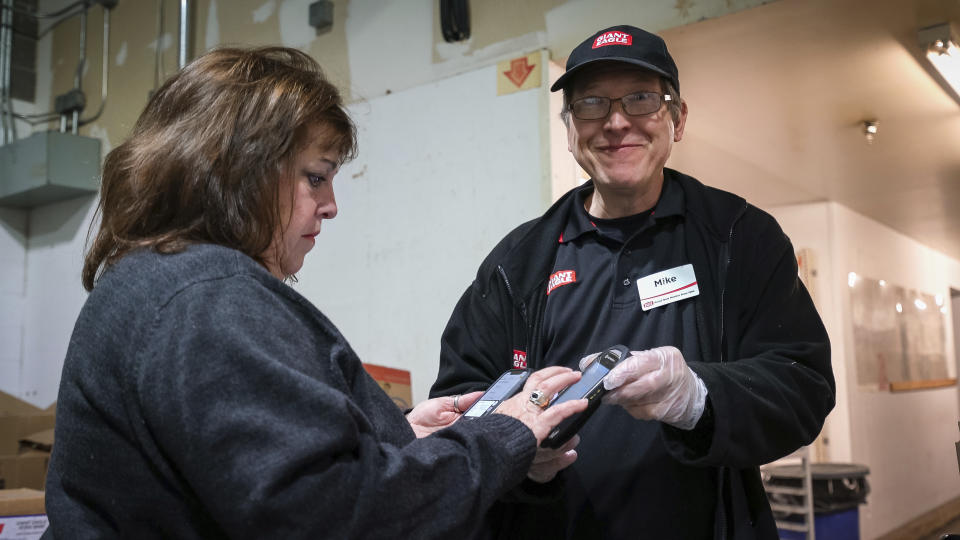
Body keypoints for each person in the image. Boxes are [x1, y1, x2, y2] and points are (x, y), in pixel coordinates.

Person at [42, 46, 590, 539]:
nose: (330, 205)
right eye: (315, 177)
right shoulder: (205, 299)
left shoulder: (159, 279)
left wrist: (398, 437)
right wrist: (502, 436)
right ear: (240, 170)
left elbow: (258, 460)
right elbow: (332, 513)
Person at [430, 25, 836, 539]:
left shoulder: (739, 237)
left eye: (642, 99)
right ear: (570, 128)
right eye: (592, 104)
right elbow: (462, 400)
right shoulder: (518, 262)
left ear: (678, 118)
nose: (617, 122)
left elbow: (804, 384)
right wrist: (514, 452)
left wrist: (698, 396)